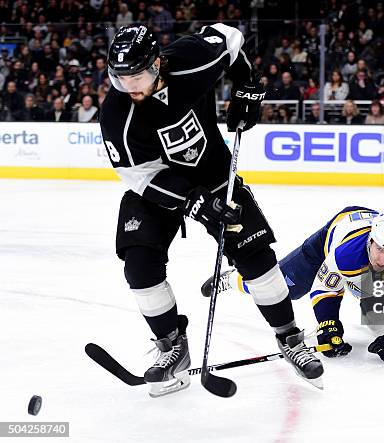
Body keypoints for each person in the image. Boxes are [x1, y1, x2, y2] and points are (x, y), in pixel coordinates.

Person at [99, 25, 323, 397]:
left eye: (136, 76)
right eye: (120, 79)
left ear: (157, 64)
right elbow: (139, 175)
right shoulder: (116, 113)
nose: (129, 86)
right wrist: (192, 201)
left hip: (215, 174)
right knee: (138, 266)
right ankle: (173, 345)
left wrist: (247, 87)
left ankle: (290, 338)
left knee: (257, 259)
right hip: (159, 188)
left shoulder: (192, 59)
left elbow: (230, 38)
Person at [203, 209, 384, 363]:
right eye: (379, 249)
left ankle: (365, 295)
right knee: (283, 288)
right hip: (331, 238)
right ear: (370, 240)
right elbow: (326, 287)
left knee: (380, 322)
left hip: (361, 260)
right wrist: (328, 324)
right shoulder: (346, 254)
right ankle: (234, 279)